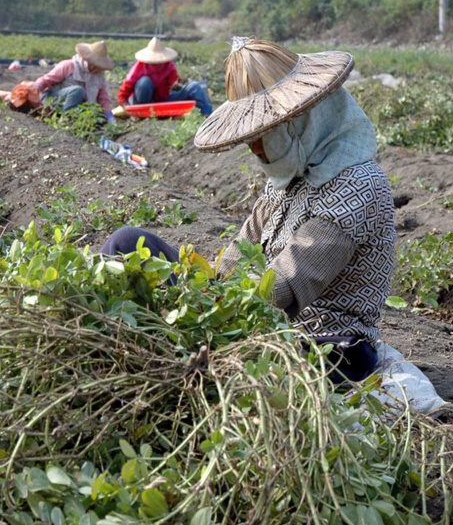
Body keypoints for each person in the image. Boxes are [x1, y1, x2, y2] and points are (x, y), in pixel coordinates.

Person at [102, 38, 395, 383]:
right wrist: (207, 282)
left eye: (264, 134)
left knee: (232, 362)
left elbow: (282, 287)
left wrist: (207, 303)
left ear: (300, 121)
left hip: (326, 345)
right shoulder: (289, 176)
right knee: (128, 243)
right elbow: (240, 251)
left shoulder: (357, 187)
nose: (254, 147)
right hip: (256, 319)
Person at [118, 37, 213, 116]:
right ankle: (142, 112)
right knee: (145, 82)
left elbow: (175, 81)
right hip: (142, 102)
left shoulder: (169, 66)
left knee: (194, 86)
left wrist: (177, 84)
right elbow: (124, 91)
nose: (158, 64)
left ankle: (207, 114)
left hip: (162, 100)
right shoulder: (139, 68)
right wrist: (126, 107)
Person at [34, 41, 116, 123]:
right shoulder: (69, 65)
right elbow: (47, 79)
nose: (96, 68)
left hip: (75, 107)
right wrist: (34, 88)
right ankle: (66, 120)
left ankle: (74, 120)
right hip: (53, 100)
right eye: (94, 65)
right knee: (78, 91)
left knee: (97, 114)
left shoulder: (98, 76)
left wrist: (109, 115)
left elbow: (103, 98)